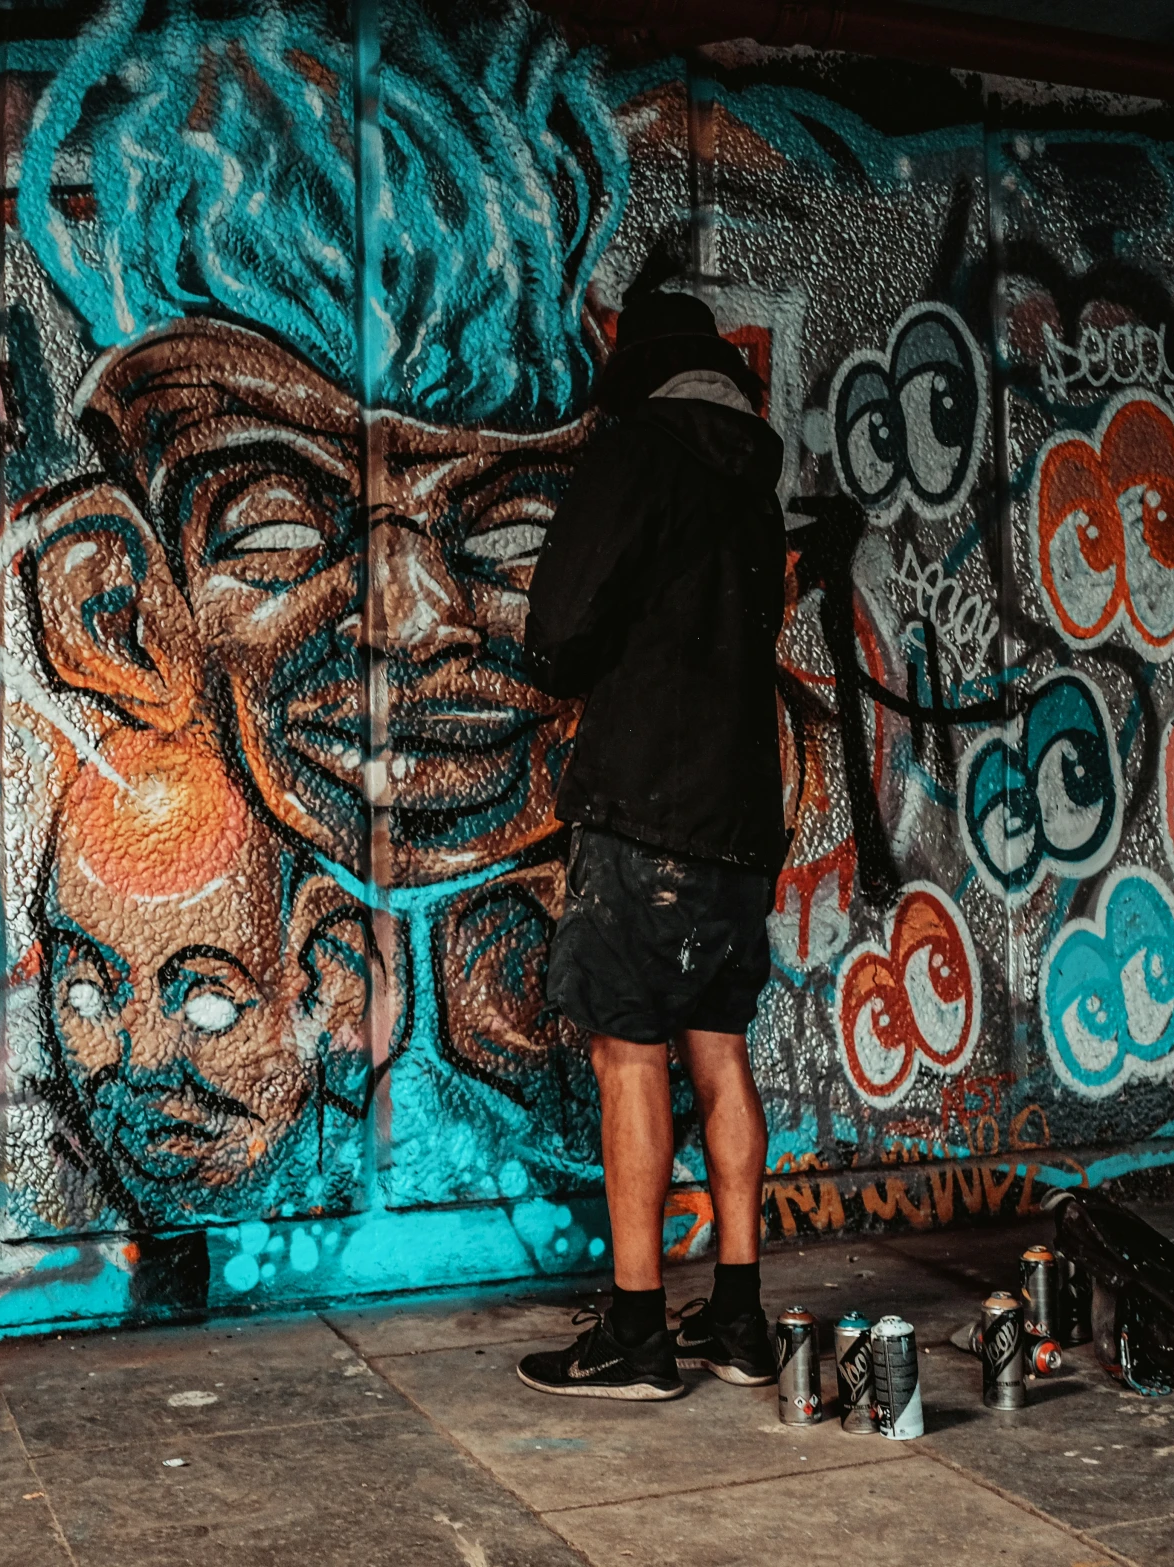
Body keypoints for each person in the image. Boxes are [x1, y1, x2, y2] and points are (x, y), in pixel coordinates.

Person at [515, 289, 789, 1400]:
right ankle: (737, 1315)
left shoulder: (639, 456)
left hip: (646, 814)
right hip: (738, 823)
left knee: (627, 1050)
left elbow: (556, 635)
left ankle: (634, 1332)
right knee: (717, 1047)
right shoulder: (753, 490)